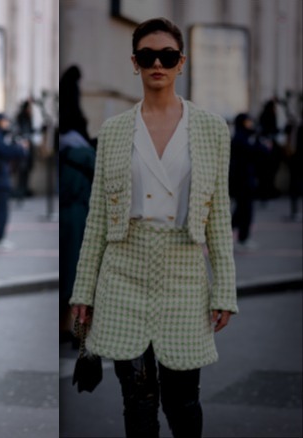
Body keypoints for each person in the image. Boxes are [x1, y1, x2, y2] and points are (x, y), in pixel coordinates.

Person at [70, 18, 237, 438]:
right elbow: (96, 221)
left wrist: (225, 290)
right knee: (137, 401)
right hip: (123, 273)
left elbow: (218, 215)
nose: (157, 64)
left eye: (167, 56)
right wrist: (83, 292)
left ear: (182, 63)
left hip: (184, 273)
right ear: (135, 63)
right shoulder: (113, 131)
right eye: (147, 56)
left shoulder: (212, 129)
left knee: (183, 401)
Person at [58, 65, 95, 345]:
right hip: (79, 217)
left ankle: (65, 327)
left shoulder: (62, 147)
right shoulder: (84, 153)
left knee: (67, 272)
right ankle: (78, 330)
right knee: (79, 273)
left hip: (65, 215)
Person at [0, 112, 28, 251]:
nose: (7, 123)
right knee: (2, 210)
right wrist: (21, 148)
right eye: (5, 121)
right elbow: (7, 152)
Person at [229, 113, 262, 250]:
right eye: (248, 122)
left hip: (244, 181)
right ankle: (242, 238)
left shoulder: (245, 137)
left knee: (241, 211)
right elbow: (258, 152)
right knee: (244, 211)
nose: (251, 124)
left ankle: (239, 236)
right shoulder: (240, 139)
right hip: (242, 182)